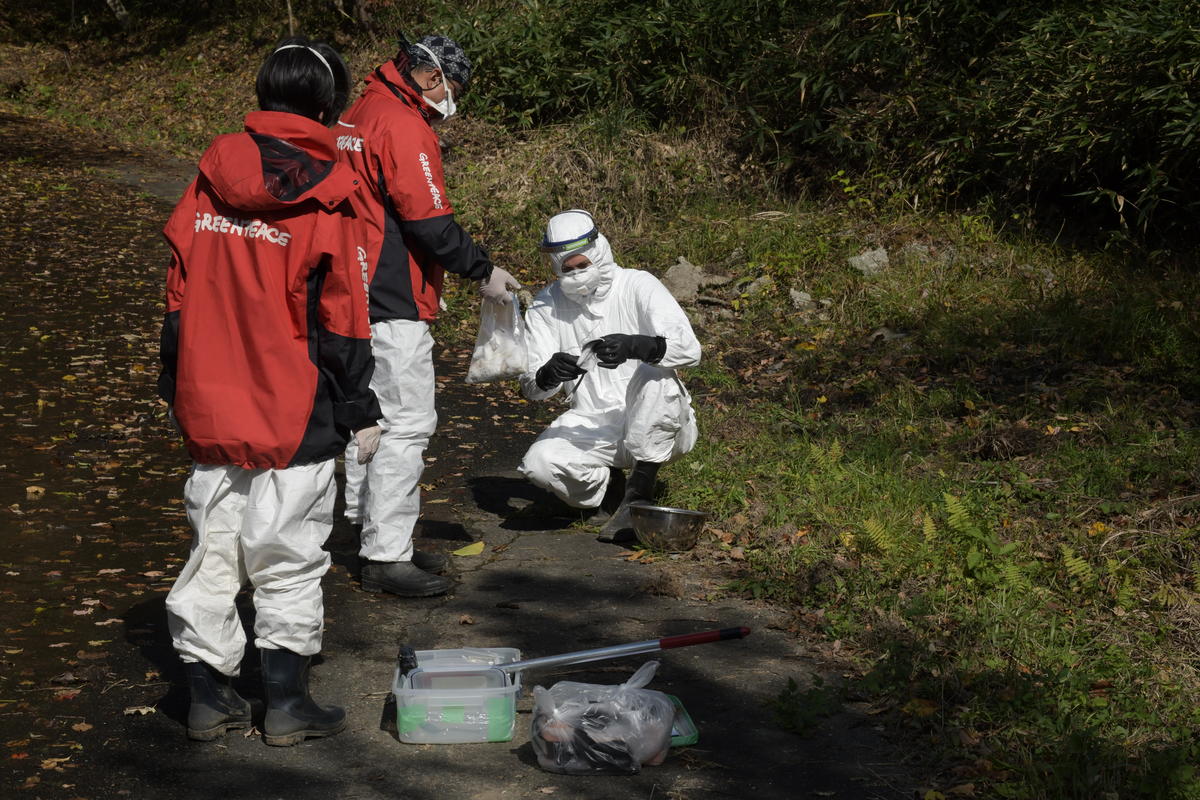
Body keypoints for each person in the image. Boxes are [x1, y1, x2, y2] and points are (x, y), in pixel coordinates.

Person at [158, 37, 382, 746]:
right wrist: (359, 406)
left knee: (213, 548)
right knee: (287, 553)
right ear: (329, 104)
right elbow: (343, 322)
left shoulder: (208, 176)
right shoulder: (333, 193)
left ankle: (207, 698)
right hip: (294, 407)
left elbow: (176, 293)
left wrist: (177, 383)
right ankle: (285, 705)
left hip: (210, 399)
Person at [335, 33, 519, 597]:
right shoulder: (403, 124)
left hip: (349, 287)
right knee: (405, 423)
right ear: (431, 77)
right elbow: (428, 220)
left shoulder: (358, 111)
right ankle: (387, 555)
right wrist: (483, 271)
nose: (450, 101)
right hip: (391, 293)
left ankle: (370, 532)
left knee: (368, 419)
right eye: (452, 88)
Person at [518, 210, 701, 542]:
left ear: (598, 252)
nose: (575, 275)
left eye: (582, 265)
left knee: (655, 375)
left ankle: (639, 496)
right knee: (540, 464)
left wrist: (637, 345)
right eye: (566, 269)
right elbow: (531, 388)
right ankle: (609, 489)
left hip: (660, 425)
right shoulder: (547, 303)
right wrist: (548, 374)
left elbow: (690, 350)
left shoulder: (637, 284)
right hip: (592, 422)